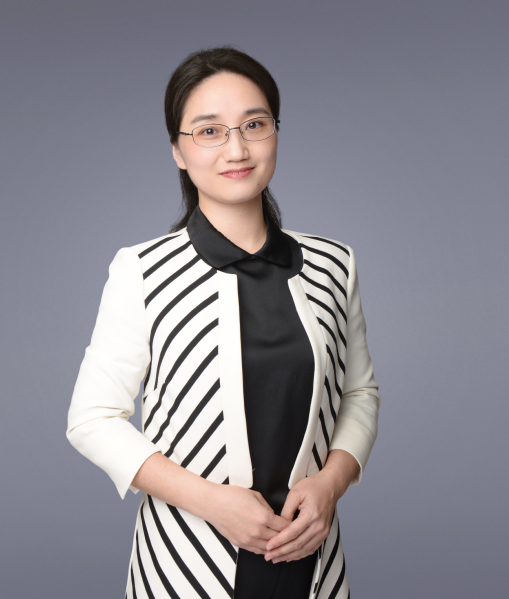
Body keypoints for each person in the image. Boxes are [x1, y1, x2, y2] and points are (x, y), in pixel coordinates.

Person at [66, 45, 381, 599]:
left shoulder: (334, 263)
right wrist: (212, 502)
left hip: (311, 555)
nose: (237, 148)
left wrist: (331, 484)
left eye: (254, 125)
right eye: (209, 131)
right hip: (187, 559)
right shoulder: (143, 270)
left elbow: (359, 393)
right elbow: (91, 419)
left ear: (275, 132)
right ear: (178, 151)